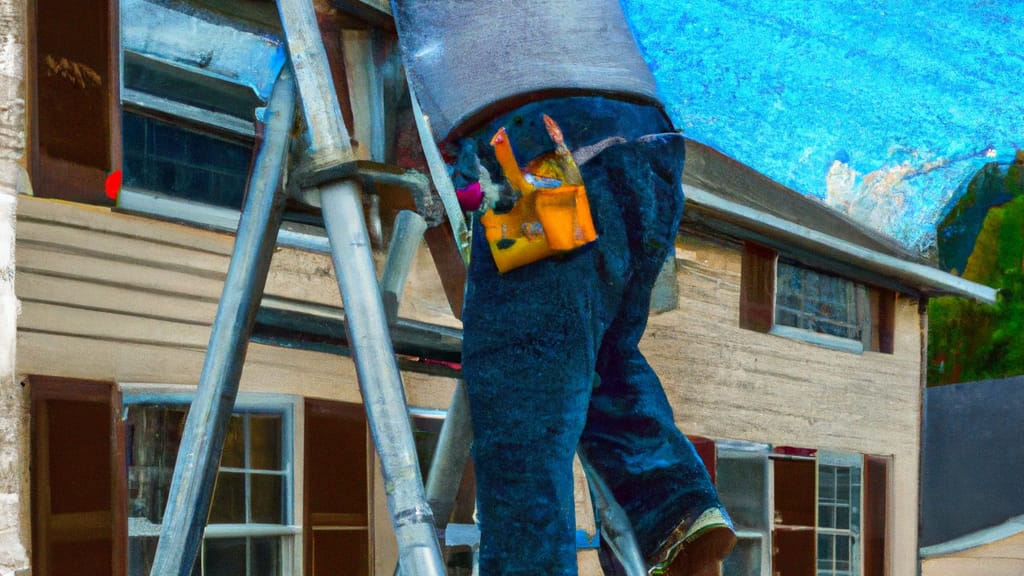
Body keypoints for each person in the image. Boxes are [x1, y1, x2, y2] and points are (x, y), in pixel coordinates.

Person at [392, 1, 735, 574]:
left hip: (537, 142)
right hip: (648, 140)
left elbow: (337, 31)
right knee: (602, 353)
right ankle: (676, 510)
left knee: (524, 417)